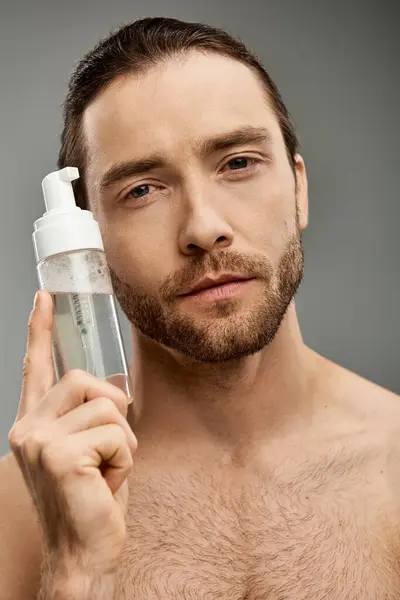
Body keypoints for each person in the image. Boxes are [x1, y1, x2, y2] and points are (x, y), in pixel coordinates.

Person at [1, 16, 399, 600]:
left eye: (238, 163)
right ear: (90, 241)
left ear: (299, 189)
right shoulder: (19, 516)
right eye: (142, 190)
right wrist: (76, 572)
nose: (203, 229)